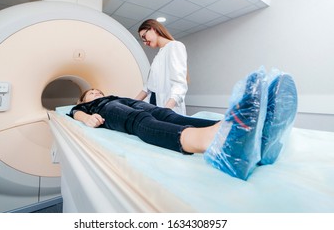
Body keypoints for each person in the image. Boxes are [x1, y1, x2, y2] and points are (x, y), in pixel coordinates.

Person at [69, 68, 298, 180]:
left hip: (136, 104)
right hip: (114, 112)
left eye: (99, 91)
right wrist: (87, 117)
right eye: (92, 93)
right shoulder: (92, 105)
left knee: (174, 117)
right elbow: (74, 112)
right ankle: (218, 143)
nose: (97, 93)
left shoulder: (116, 96)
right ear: (84, 100)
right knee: (140, 121)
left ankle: (254, 133)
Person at [135, 19, 188, 115]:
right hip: (154, 107)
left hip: (168, 110)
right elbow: (148, 87)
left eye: (144, 37)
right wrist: (130, 104)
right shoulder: (158, 55)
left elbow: (180, 85)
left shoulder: (175, 46)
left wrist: (165, 111)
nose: (144, 42)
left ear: (153, 29)